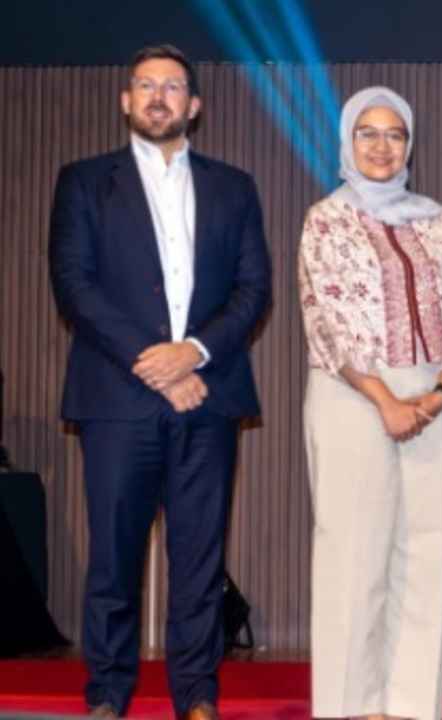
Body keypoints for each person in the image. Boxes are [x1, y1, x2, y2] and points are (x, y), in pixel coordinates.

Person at [47, 44, 271, 720]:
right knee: (113, 560)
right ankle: (108, 695)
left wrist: (194, 353)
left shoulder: (234, 187)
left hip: (208, 395)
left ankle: (197, 695)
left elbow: (253, 289)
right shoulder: (85, 182)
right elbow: (74, 285)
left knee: (200, 560)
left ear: (193, 106)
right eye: (145, 84)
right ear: (125, 100)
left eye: (172, 87)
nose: (157, 96)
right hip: (118, 399)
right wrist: (156, 363)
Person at [298, 86, 442, 720]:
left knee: (426, 551)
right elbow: (325, 319)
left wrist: (441, 391)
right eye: (367, 132)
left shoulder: (439, 221)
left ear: (409, 145)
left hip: (433, 396)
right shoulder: (326, 219)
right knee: (354, 552)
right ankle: (353, 706)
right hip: (352, 393)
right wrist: (385, 401)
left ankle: (411, 705)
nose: (381, 145)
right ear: (348, 142)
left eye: (394, 134)